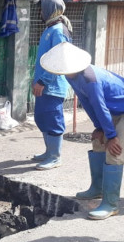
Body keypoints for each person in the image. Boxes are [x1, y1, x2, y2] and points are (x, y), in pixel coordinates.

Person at [40, 42, 124, 220]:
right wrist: (99, 128)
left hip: (120, 109)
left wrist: (111, 136)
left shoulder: (89, 78)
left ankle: (110, 204)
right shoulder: (71, 75)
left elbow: (99, 106)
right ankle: (97, 189)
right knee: (97, 142)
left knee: (114, 150)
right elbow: (87, 103)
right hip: (113, 109)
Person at [32, 0, 72, 170]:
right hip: (44, 84)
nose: (40, 11)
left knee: (53, 119)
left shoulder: (58, 31)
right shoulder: (50, 29)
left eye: (42, 8)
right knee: (42, 118)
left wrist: (43, 81)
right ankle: (49, 152)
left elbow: (59, 60)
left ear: (50, 9)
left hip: (52, 86)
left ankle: (55, 157)